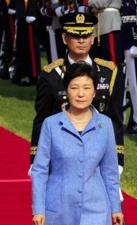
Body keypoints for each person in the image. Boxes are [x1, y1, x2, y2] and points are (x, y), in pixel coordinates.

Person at [29, 12, 125, 183]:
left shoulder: (109, 72)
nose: (81, 41)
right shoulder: (51, 74)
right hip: (61, 159)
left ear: (93, 38)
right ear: (65, 38)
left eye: (86, 35)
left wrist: (118, 160)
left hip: (99, 158)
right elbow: (41, 120)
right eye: (75, 35)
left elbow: (115, 120)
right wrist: (35, 159)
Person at [31, 62, 124, 225]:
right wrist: (39, 209)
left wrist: (116, 208)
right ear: (66, 90)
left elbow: (110, 171)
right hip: (59, 211)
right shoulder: (51, 124)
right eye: (74, 88)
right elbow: (40, 170)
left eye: (87, 88)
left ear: (95, 92)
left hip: (96, 210)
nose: (81, 94)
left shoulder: (105, 124)